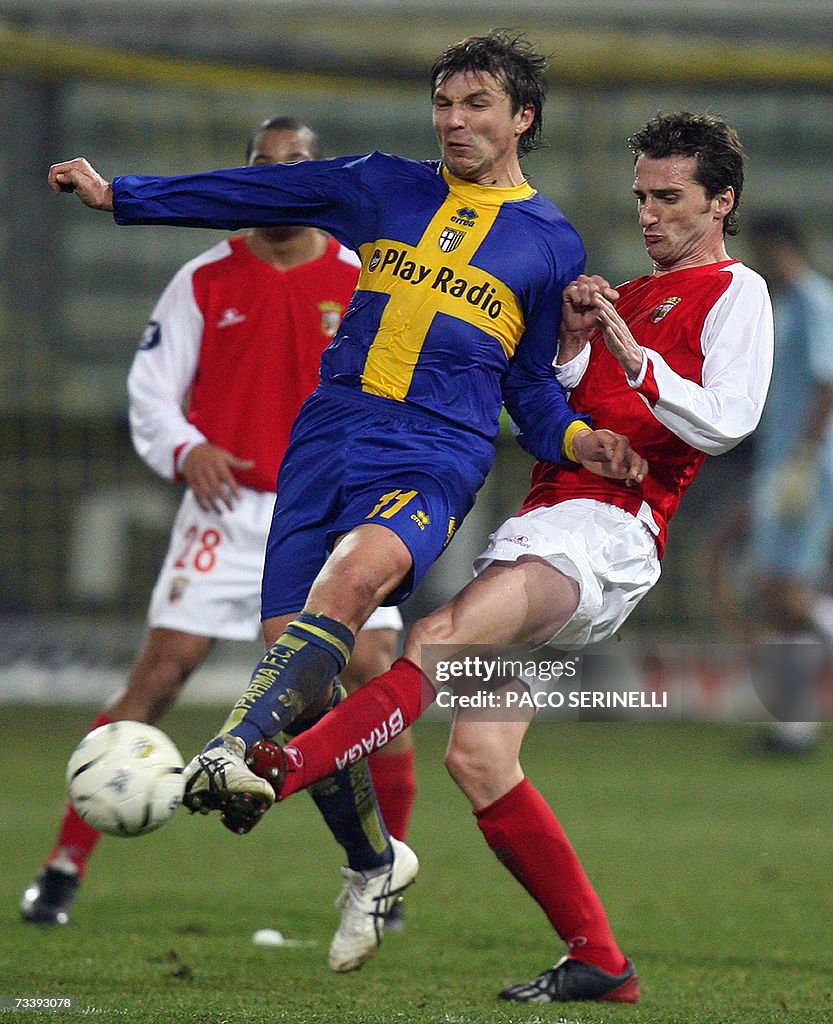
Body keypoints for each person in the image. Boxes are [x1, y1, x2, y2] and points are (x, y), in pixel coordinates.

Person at [46, 31, 646, 974]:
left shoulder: (549, 241)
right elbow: (257, 194)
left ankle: (232, 743)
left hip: (436, 449)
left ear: (521, 117)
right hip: (325, 437)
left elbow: (529, 389)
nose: (453, 121)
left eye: (476, 104)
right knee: (311, 677)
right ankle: (371, 864)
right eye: (444, 103)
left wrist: (577, 440)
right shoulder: (380, 184)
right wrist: (122, 194)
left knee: (357, 577)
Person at [237, 110, 775, 1003]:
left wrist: (634, 359)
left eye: (669, 198)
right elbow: (562, 409)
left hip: (604, 536)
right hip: (555, 519)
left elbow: (729, 418)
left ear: (721, 202)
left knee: (438, 638)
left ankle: (284, 766)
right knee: (479, 756)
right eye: (640, 196)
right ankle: (600, 960)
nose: (648, 214)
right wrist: (570, 340)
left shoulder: (736, 291)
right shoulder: (630, 296)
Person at [23, 116, 416, 962]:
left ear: (320, 175)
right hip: (228, 510)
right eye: (268, 167)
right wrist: (186, 447)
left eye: (299, 165)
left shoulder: (363, 275)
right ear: (249, 177)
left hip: (334, 514)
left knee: (373, 672)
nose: (284, 178)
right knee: (161, 675)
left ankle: (382, 878)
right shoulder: (203, 280)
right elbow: (151, 393)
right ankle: (62, 865)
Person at [743, 212, 833, 753]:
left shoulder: (816, 300)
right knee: (774, 595)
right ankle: (793, 727)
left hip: (808, 465)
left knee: (785, 589)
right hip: (782, 462)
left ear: (779, 245)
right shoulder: (785, 306)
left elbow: (828, 382)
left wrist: (803, 456)